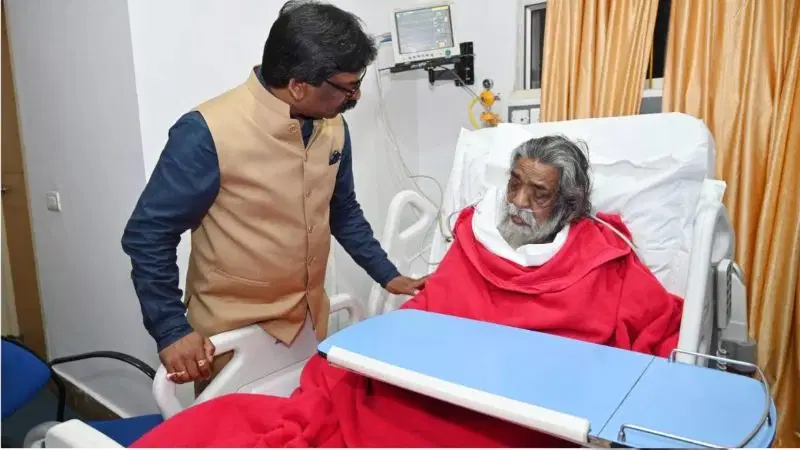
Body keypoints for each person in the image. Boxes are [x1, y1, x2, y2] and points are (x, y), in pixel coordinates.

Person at [131, 135, 684, 448]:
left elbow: (663, 332)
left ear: (568, 204)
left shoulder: (604, 257)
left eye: (537, 193)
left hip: (524, 415)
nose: (517, 202)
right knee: (336, 392)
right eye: (513, 183)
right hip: (427, 390)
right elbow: (433, 310)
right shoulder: (476, 238)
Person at [121, 0, 425, 393]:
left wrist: (389, 275)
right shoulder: (207, 133)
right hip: (232, 334)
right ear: (298, 85)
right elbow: (148, 235)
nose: (356, 97)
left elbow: (342, 210)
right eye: (348, 88)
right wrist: (170, 328)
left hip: (306, 321)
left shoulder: (332, 127)